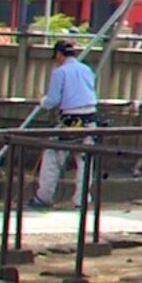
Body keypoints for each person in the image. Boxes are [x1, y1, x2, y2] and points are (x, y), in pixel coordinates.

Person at [33, 41, 99, 206]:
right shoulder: (87, 70)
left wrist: (41, 100)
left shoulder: (60, 72)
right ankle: (81, 199)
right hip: (90, 118)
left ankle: (44, 197)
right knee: (85, 160)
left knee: (52, 156)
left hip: (70, 120)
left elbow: (52, 101)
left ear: (59, 54)